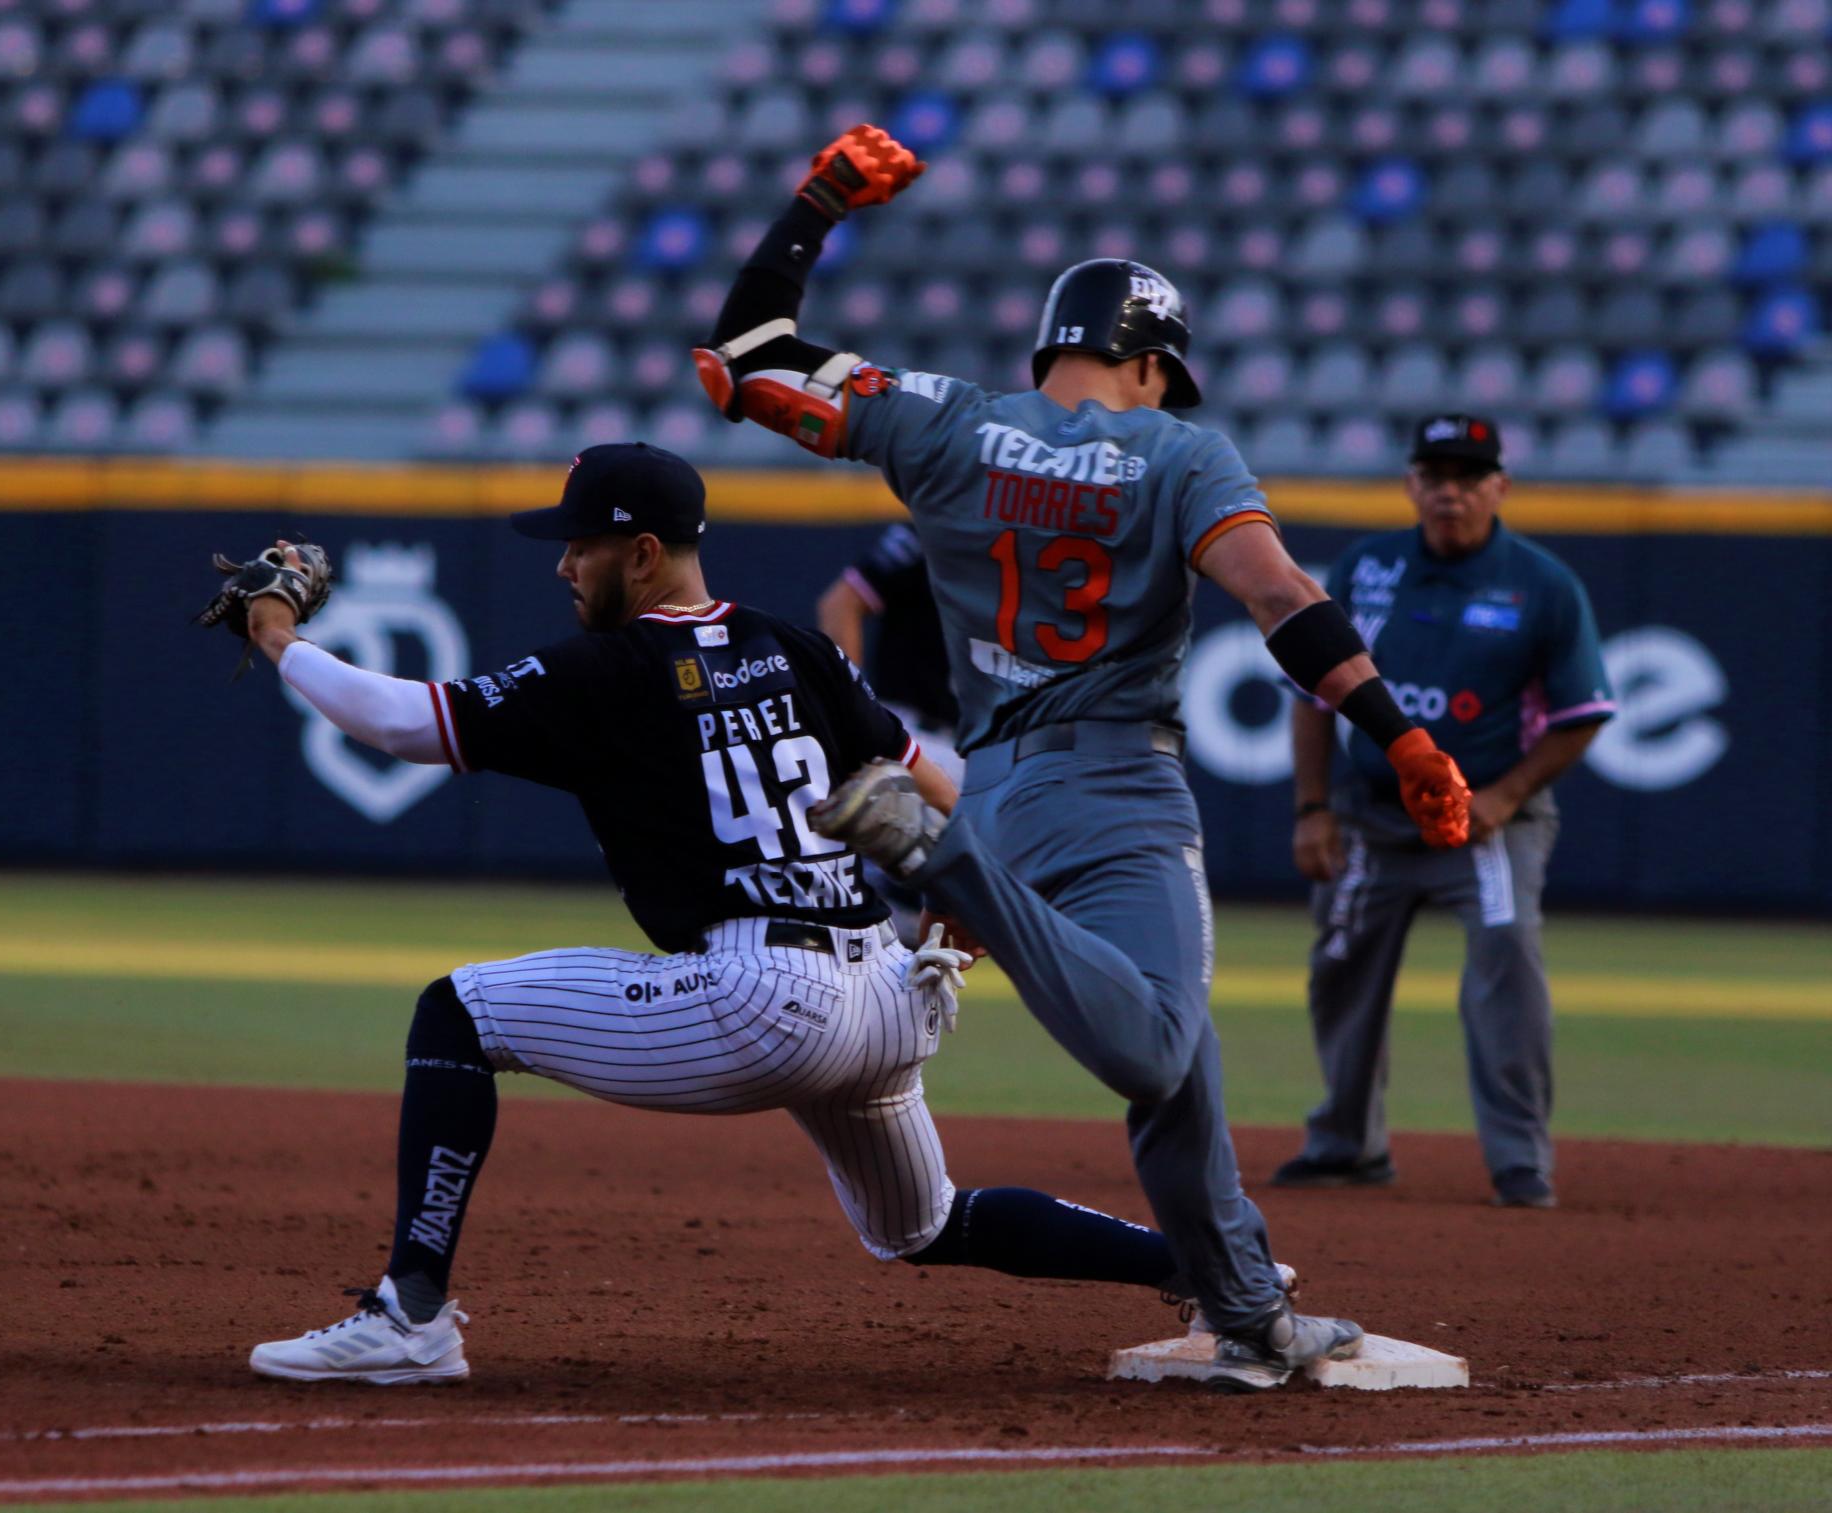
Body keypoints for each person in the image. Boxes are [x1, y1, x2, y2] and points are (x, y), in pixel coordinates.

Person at [691, 125, 1474, 1392]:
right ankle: (936, 857)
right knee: (1159, 1053)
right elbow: (1278, 599)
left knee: (1182, 1069)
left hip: (993, 773)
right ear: (1151, 365)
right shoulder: (1178, 453)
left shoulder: (946, 419)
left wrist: (819, 201)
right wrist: (1403, 730)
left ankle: (1241, 1309)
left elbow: (741, 361)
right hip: (1109, 783)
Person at [214, 442, 1251, 1385]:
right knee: (923, 1223)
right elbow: (936, 779)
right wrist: (976, 899)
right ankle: (1217, 1269)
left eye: (582, 544)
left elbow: (399, 723)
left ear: (645, 551)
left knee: (455, 1013)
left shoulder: (609, 669)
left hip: (762, 995)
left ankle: (409, 1317)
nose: (565, 565)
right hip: (888, 998)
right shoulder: (794, 647)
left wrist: (276, 632)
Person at [1272, 415, 1617, 1210]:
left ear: (1500, 486)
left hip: (1484, 820)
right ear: (1411, 484)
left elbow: (1583, 714)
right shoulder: (1367, 567)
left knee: (1507, 955)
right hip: (1371, 817)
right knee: (1340, 964)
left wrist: (1502, 796)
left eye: (1468, 476)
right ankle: (1346, 1144)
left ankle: (1519, 1159)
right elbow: (1312, 696)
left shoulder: (1543, 584)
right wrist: (1312, 807)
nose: (1450, 492)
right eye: (1435, 475)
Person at [817, 524, 961, 941]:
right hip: (914, 736)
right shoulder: (939, 524)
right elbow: (840, 603)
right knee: (880, 915)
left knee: (946, 927)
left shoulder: (1037, 533)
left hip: (980, 749)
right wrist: (852, 716)